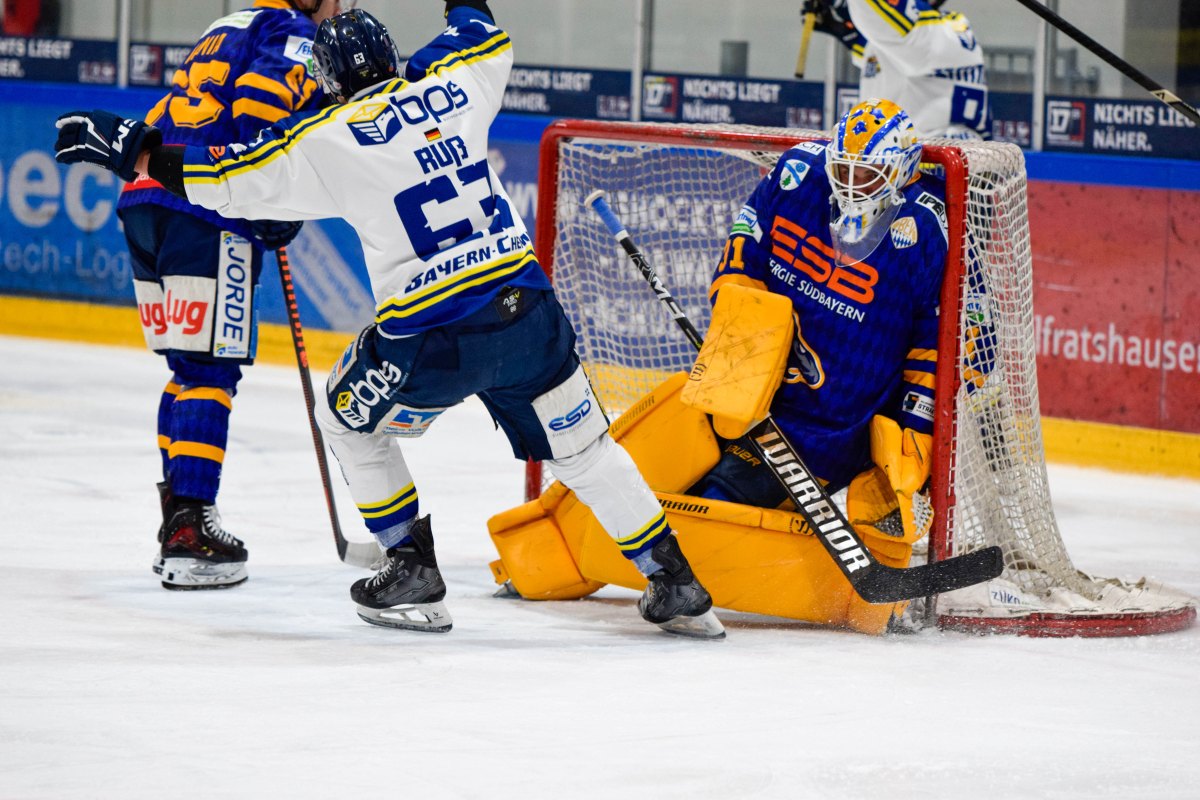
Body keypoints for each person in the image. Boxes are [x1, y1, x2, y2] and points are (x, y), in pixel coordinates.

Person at [54, 3, 724, 639]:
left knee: (345, 419)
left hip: (432, 334)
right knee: (585, 452)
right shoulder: (455, 87)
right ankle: (675, 582)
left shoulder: (326, 136)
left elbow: (222, 177)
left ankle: (410, 564)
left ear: (332, 80)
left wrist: (133, 150)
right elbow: (480, 28)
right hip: (529, 311)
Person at [102, 0, 341, 591]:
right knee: (211, 370)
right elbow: (261, 112)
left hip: (146, 199)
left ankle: (178, 519)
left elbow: (174, 111)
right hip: (208, 207)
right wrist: (269, 199)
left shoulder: (226, 24)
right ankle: (191, 530)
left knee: (187, 370)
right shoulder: (294, 30)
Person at [689, 98, 949, 547]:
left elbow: (936, 342)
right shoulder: (799, 175)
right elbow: (741, 254)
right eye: (842, 170)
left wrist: (917, 427)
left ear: (902, 172)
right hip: (753, 400)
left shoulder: (927, 228)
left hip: (837, 426)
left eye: (865, 175)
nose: (849, 186)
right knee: (666, 470)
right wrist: (749, 349)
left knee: (717, 502)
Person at [805, 0, 991, 139]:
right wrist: (839, 29)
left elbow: (896, 30)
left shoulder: (950, 28)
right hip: (899, 160)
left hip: (940, 164)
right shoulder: (928, 36)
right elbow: (880, 55)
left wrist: (843, 5)